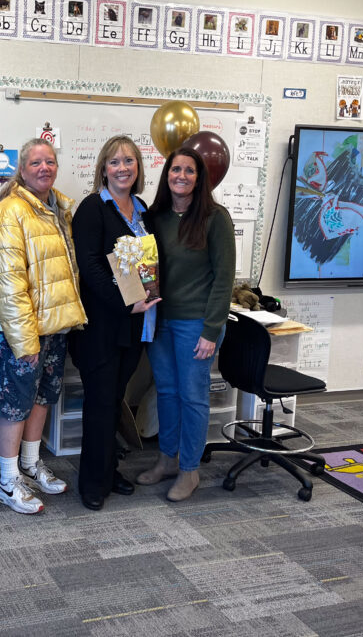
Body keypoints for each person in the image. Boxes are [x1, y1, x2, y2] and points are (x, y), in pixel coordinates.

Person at [0, 138, 87, 514]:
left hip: (54, 327)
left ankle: (30, 463)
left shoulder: (57, 208)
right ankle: (7, 480)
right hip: (20, 332)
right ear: (22, 170)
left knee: (42, 398)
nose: (44, 168)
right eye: (35, 163)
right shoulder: (10, 210)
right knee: (14, 405)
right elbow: (6, 280)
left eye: (50, 161)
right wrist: (24, 338)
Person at [137, 145, 235, 502]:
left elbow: (225, 279)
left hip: (197, 324)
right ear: (167, 175)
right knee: (166, 393)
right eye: (175, 170)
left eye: (189, 171)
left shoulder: (214, 217)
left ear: (199, 177)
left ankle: (190, 470)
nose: (181, 176)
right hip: (161, 321)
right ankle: (167, 460)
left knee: (193, 397)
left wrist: (212, 330)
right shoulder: (156, 216)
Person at [71, 135, 161, 511]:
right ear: (103, 169)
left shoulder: (142, 209)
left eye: (129, 161)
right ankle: (92, 482)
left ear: (138, 168)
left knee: (113, 403)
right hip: (102, 327)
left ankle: (108, 471)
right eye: (114, 162)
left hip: (134, 328)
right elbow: (90, 268)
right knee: (100, 403)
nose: (122, 168)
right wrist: (128, 304)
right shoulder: (93, 208)